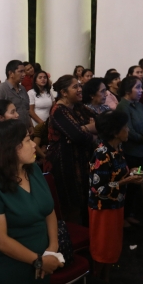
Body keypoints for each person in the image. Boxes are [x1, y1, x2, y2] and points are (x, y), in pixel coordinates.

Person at [0, 119, 62, 284]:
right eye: (27, 140)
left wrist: (51, 249)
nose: (34, 145)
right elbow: (0, 240)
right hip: (9, 267)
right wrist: (37, 260)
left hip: (42, 261)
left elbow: (49, 211)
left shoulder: (34, 171)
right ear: (11, 148)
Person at [89, 111, 143, 284]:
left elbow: (116, 176)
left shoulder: (117, 149)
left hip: (116, 205)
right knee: (103, 248)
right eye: (125, 127)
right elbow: (99, 190)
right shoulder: (102, 153)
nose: (128, 130)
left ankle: (106, 282)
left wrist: (131, 173)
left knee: (111, 247)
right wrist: (126, 181)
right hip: (103, 208)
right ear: (115, 132)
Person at [46, 75, 97, 224]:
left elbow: (102, 122)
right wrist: (90, 130)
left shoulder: (79, 106)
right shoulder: (58, 110)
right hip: (64, 162)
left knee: (83, 199)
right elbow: (79, 137)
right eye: (75, 87)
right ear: (64, 92)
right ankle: (71, 238)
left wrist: (82, 129)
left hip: (81, 160)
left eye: (80, 86)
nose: (80, 89)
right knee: (70, 203)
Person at [115, 76, 143, 221]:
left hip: (142, 151)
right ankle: (124, 216)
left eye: (141, 87)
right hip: (130, 151)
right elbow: (128, 130)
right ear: (127, 90)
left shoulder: (139, 105)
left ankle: (131, 213)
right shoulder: (123, 106)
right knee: (130, 185)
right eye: (137, 88)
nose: (141, 91)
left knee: (138, 183)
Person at [0, 60, 34, 134]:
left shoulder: (22, 89)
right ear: (11, 73)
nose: (24, 74)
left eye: (24, 72)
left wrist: (30, 126)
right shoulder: (0, 90)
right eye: (20, 71)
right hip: (9, 133)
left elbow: (26, 109)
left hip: (24, 131)